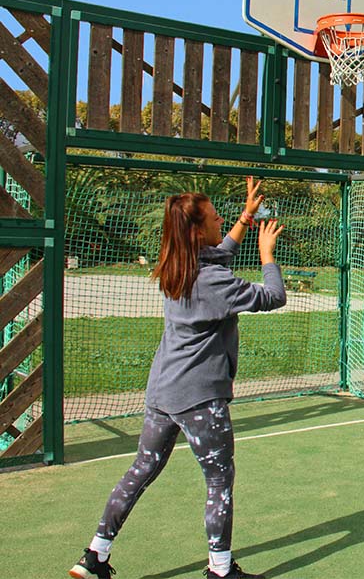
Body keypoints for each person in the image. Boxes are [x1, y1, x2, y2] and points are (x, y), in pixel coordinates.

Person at [70, 177, 286, 579]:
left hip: (162, 391)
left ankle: (95, 554)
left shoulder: (176, 267)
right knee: (219, 480)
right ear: (197, 231)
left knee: (142, 469)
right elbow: (274, 296)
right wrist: (266, 255)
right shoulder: (213, 282)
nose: (220, 219)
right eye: (214, 217)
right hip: (199, 397)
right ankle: (220, 569)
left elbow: (220, 254)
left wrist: (245, 217)